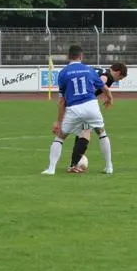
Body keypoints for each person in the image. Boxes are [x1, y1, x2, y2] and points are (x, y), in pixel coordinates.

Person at [42, 45, 114, 175]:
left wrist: (58, 122)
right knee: (101, 133)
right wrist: (110, 98)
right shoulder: (89, 70)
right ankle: (109, 167)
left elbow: (61, 101)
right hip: (91, 105)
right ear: (81, 56)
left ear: (68, 57)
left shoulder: (63, 73)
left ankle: (51, 169)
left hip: (74, 109)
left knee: (60, 137)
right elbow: (104, 88)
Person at [67, 62, 127, 172]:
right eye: (120, 78)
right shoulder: (107, 76)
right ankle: (107, 166)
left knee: (83, 131)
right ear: (118, 73)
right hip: (85, 104)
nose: (118, 81)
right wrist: (109, 97)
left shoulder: (102, 71)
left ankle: (74, 163)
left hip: (76, 102)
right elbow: (97, 84)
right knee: (95, 132)